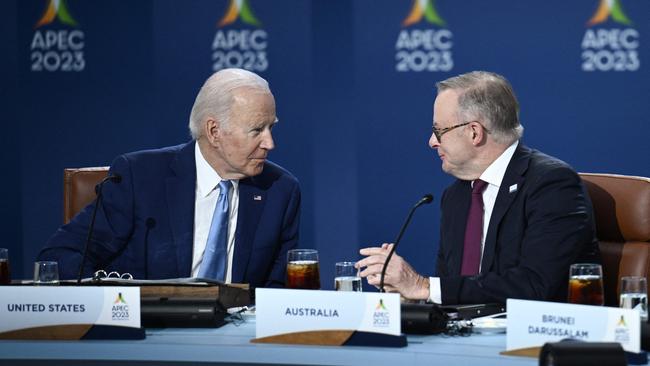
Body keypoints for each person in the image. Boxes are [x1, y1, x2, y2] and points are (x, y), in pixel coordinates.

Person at [38, 68, 301, 288]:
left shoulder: (280, 191)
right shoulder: (139, 177)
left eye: (271, 127)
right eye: (257, 130)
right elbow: (60, 258)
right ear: (213, 131)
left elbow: (278, 291)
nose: (270, 143)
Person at [356, 71, 599, 304]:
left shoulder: (551, 184)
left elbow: (536, 285)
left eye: (438, 131)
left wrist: (423, 287)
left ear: (474, 132)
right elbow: (451, 288)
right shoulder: (456, 196)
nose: (431, 142)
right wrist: (413, 295)